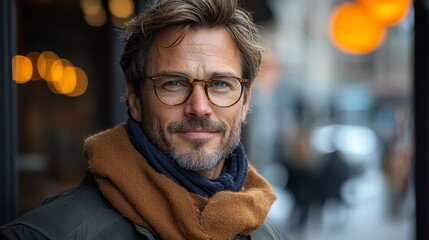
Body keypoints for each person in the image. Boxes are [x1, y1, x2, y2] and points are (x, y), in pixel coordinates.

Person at [0, 0, 284, 239]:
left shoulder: (264, 232)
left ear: (245, 102)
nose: (199, 107)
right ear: (135, 99)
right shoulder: (48, 234)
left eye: (221, 84)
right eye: (173, 83)